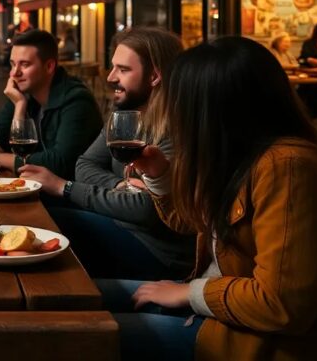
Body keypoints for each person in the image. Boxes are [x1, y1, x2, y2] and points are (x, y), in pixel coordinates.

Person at [99, 36, 317, 361]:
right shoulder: (243, 156)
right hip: (224, 313)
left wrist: (190, 292)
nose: (171, 113)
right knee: (77, 299)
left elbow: (281, 304)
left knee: (79, 333)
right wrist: (158, 176)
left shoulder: (289, 167)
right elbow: (190, 223)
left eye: (179, 102)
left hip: (259, 344)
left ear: (214, 108)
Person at [18, 28, 194, 280]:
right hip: (116, 221)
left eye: (123, 69)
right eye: (113, 67)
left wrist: (64, 187)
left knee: (41, 227)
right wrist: (120, 185)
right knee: (35, 216)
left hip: (157, 252)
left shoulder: (176, 128)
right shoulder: (123, 117)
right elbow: (85, 164)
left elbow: (146, 210)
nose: (111, 77)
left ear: (154, 76)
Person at [0, 29, 102, 178]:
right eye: (13, 64)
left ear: (49, 66)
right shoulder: (22, 93)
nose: (14, 73)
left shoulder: (77, 101)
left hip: (66, 197)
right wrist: (19, 107)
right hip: (35, 189)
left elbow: (59, 163)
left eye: (24, 65)